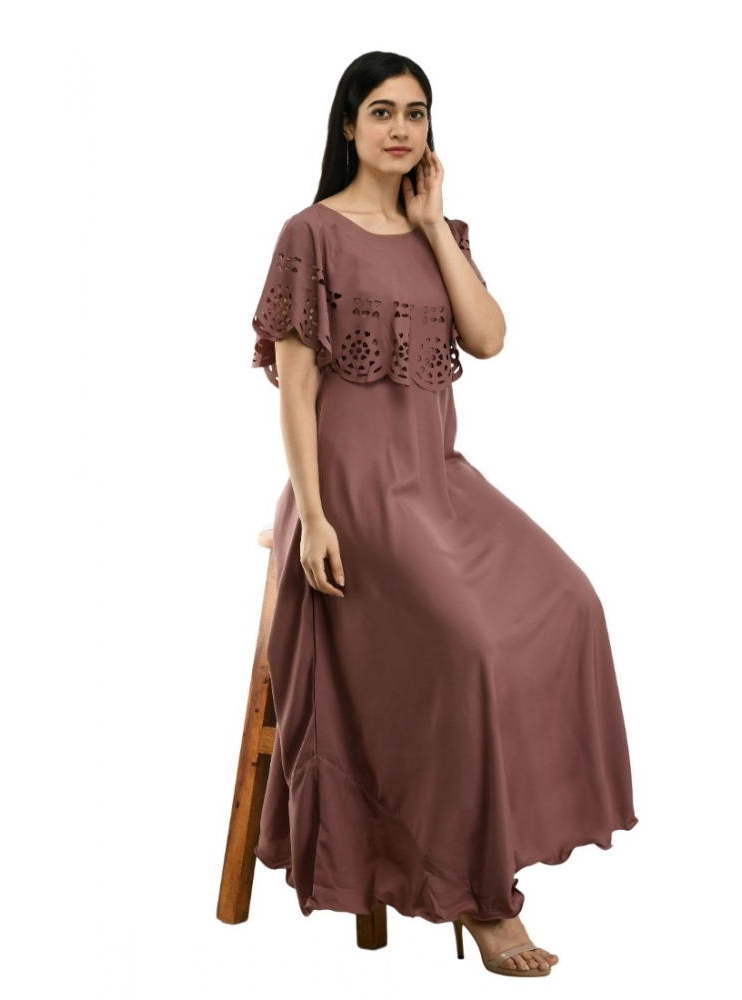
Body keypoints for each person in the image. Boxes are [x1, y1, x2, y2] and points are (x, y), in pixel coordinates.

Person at [249, 51, 638, 978]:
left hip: (437, 479)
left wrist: (431, 227)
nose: (400, 129)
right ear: (348, 125)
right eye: (382, 111)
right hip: (351, 495)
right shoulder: (310, 233)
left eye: (416, 113)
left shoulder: (439, 230)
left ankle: (500, 850)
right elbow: (295, 390)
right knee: (474, 650)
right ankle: (484, 897)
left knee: (572, 603)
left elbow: (489, 338)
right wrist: (314, 516)